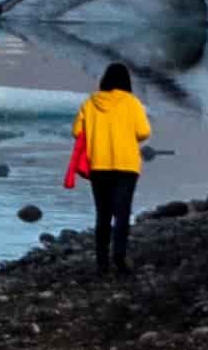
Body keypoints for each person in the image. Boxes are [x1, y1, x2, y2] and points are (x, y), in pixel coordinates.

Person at [63, 60, 151, 274]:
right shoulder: (132, 103)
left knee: (103, 214)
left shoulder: (90, 103)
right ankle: (119, 255)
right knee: (122, 213)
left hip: (99, 165)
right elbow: (144, 132)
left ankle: (102, 261)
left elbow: (77, 132)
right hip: (126, 166)